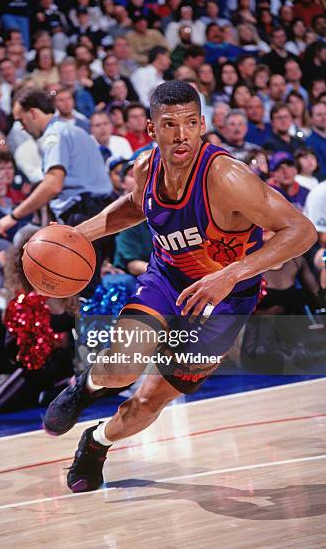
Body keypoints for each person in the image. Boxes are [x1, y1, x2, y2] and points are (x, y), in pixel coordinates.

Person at [43, 80, 316, 493]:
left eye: (191, 123)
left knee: (149, 403)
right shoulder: (145, 168)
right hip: (167, 279)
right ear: (152, 130)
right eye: (170, 124)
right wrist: (77, 234)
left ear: (203, 124)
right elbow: (135, 207)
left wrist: (230, 274)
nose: (181, 134)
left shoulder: (227, 176)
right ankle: (87, 387)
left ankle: (95, 441)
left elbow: (301, 231)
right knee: (122, 366)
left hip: (226, 296)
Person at [0, 88, 113, 235]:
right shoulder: (75, 130)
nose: (22, 128)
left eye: (21, 120)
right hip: (103, 210)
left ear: (32, 113)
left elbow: (53, 185)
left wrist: (14, 216)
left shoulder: (54, 135)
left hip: (82, 213)